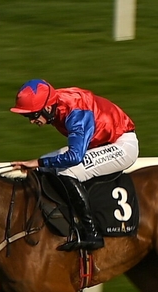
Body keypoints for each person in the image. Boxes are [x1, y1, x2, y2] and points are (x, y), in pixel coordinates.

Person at [10, 79, 138, 251]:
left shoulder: (76, 114)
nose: (31, 121)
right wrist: (40, 163)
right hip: (103, 143)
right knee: (44, 166)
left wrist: (39, 162)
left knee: (68, 171)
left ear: (47, 108)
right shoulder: (55, 103)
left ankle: (92, 234)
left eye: (32, 115)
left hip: (122, 145)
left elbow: (74, 157)